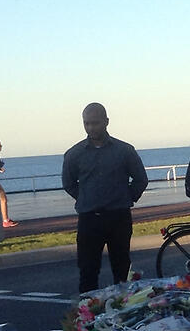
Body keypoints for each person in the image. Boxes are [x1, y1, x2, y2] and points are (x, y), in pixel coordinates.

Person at [62, 102, 149, 293]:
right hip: (89, 219)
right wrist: (86, 198)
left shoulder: (124, 150)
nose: (91, 127)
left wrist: (126, 198)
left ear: (106, 121)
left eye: (95, 123)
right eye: (87, 123)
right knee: (88, 272)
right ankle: (87, 318)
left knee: (122, 271)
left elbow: (141, 179)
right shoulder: (74, 154)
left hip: (119, 218)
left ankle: (125, 312)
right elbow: (68, 183)